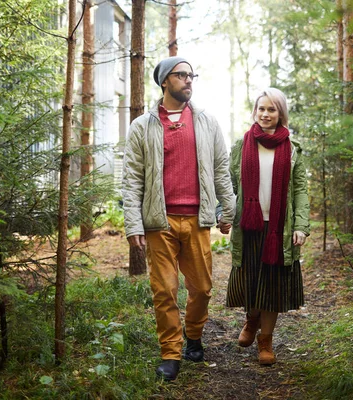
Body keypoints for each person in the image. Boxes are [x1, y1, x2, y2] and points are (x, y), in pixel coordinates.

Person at [122, 56, 236, 381]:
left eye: (191, 75)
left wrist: (227, 211)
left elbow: (220, 171)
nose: (188, 80)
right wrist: (133, 224)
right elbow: (132, 179)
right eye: (181, 75)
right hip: (160, 222)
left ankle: (194, 336)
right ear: (164, 82)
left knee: (202, 288)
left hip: (198, 221)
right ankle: (171, 353)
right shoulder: (142, 126)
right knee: (165, 290)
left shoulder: (206, 122)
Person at [222, 87, 310, 366]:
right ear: (255, 111)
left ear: (280, 113)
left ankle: (266, 341)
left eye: (272, 109)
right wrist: (223, 214)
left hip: (279, 230)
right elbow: (228, 184)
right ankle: (251, 319)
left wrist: (301, 226)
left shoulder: (292, 150)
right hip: (249, 226)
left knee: (272, 287)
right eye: (261, 108)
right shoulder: (241, 145)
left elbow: (300, 191)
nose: (265, 114)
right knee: (251, 281)